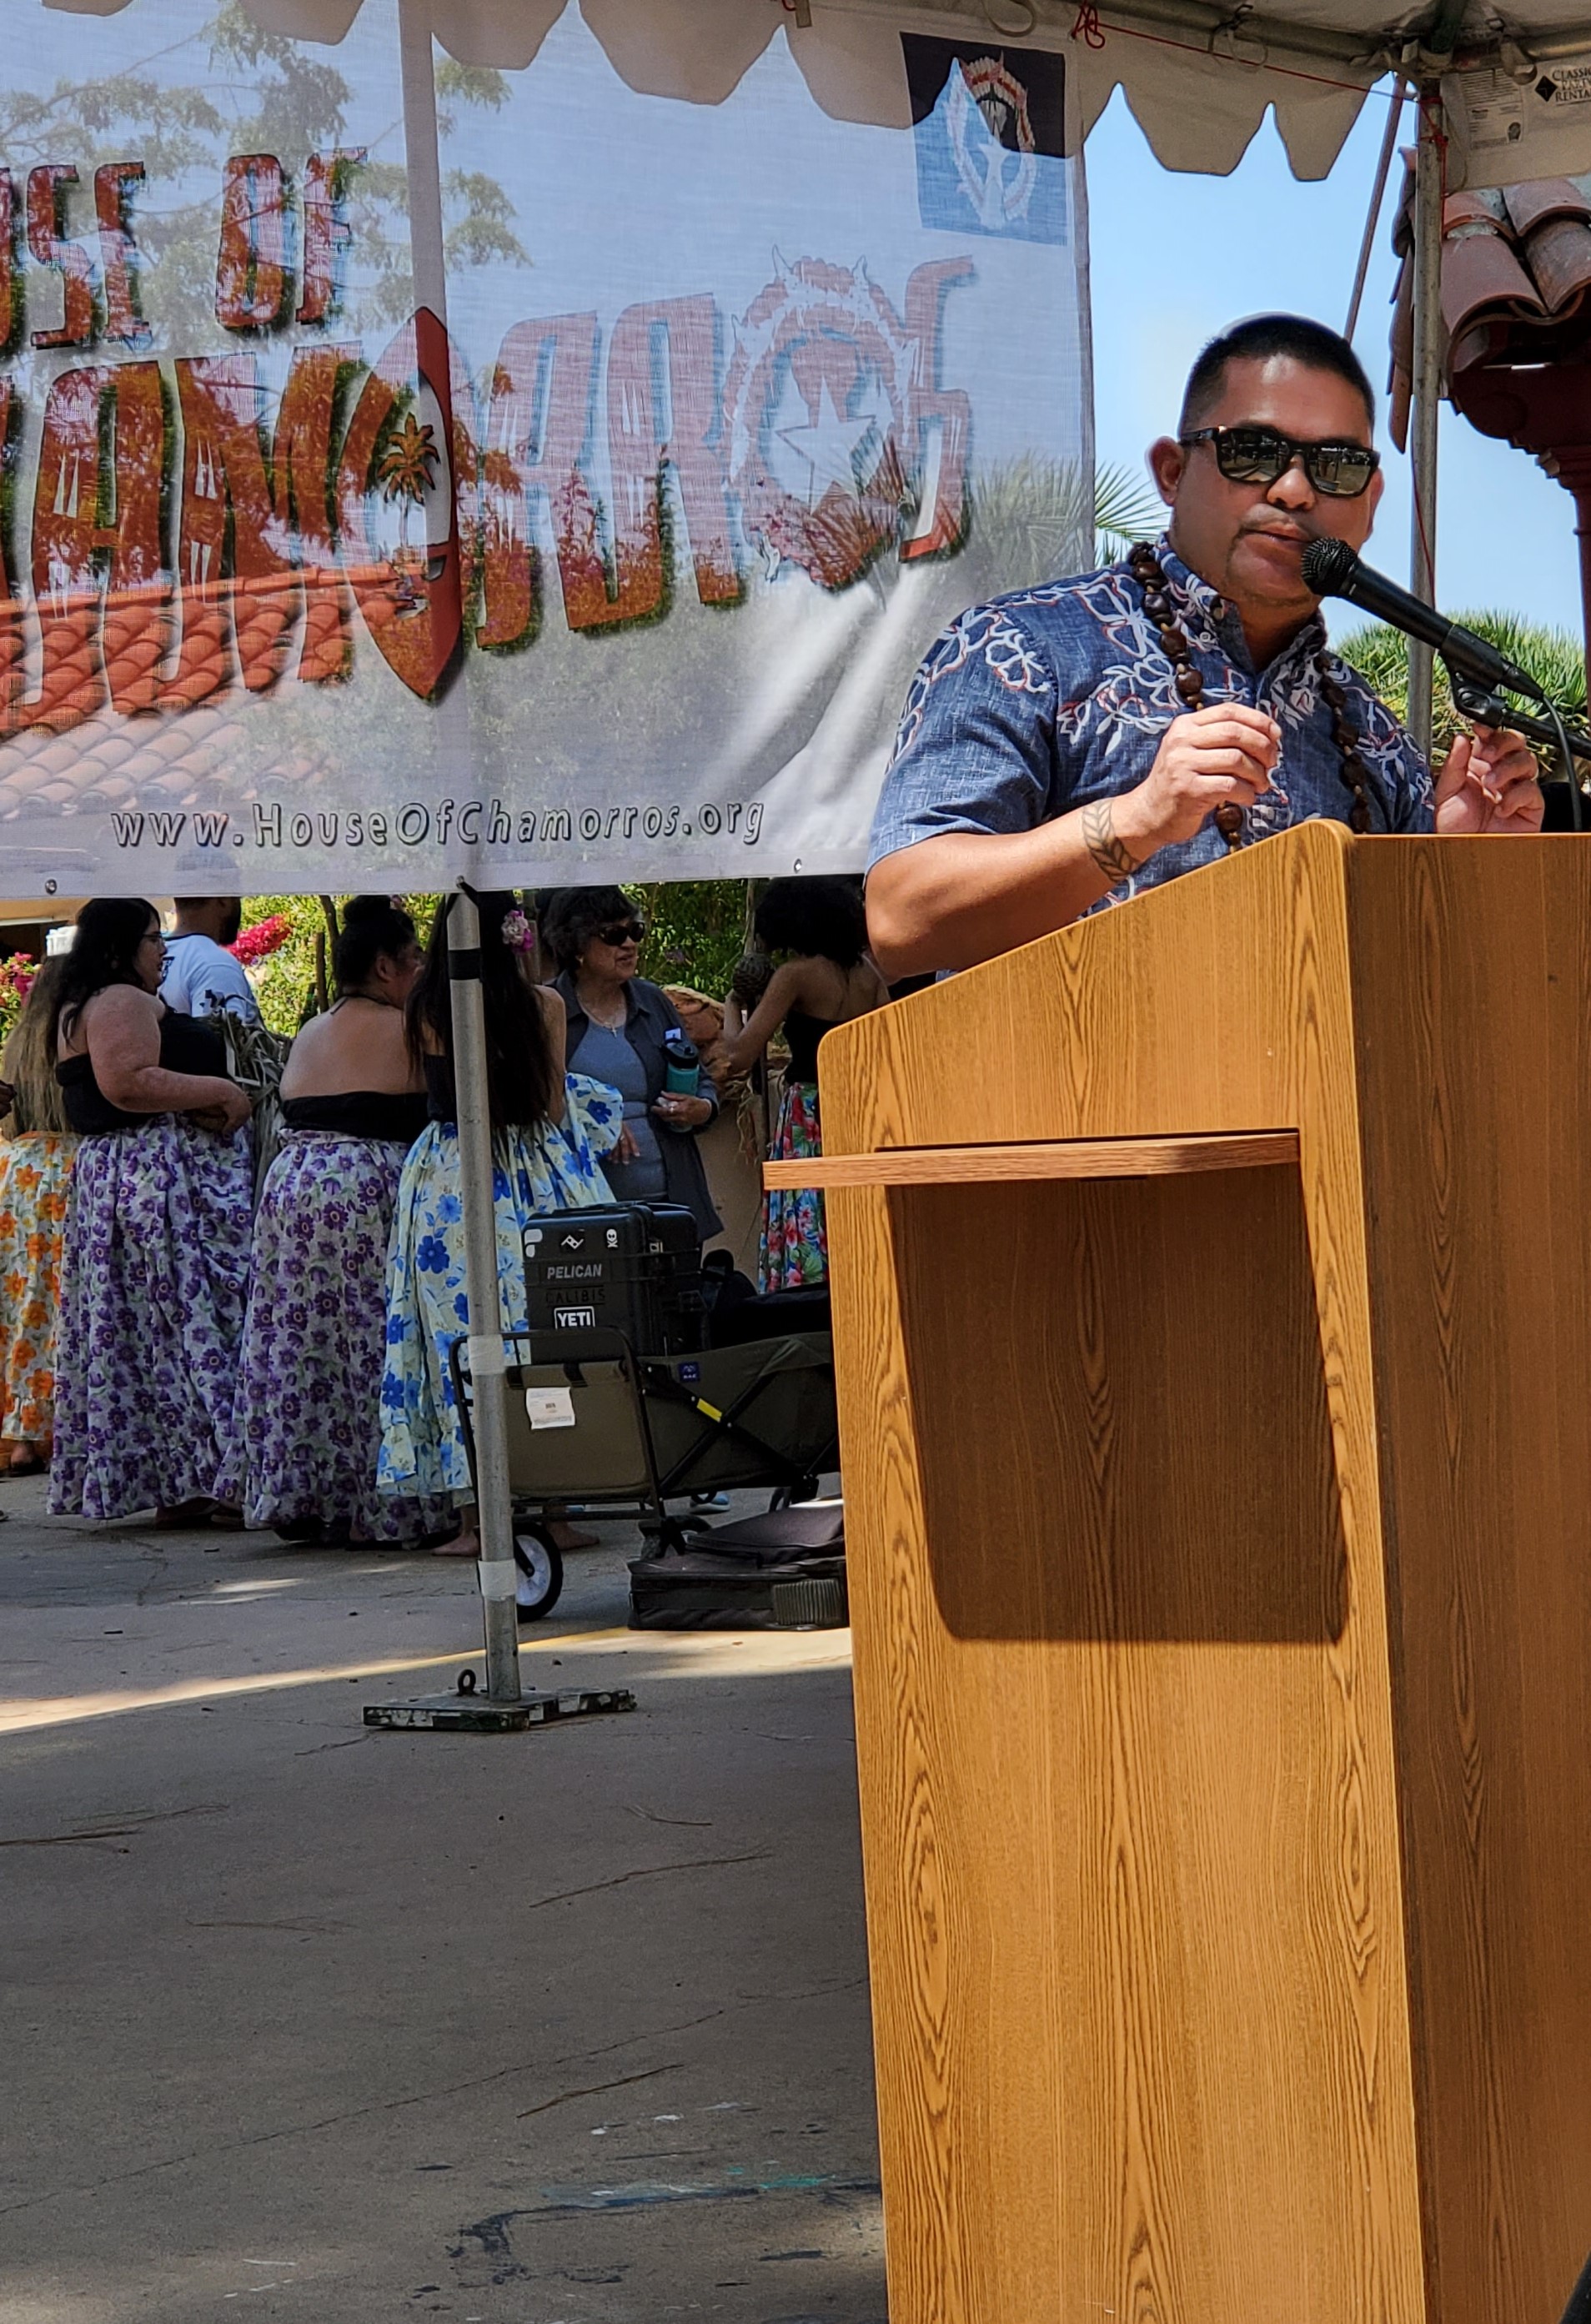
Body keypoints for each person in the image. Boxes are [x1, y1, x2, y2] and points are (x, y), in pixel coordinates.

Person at [864, 313, 1543, 978]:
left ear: (1369, 502)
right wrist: (1140, 818)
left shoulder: (1370, 733)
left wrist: (1464, 868)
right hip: (1075, 1089)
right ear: (1171, 471)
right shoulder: (1020, 652)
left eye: (1335, 467)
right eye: (1254, 452)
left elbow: (1420, 994)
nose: (1295, 491)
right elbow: (903, 918)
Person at [377, 891, 623, 1559]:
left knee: (455, 1343)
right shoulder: (540, 1004)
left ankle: (472, 1518)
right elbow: (548, 1104)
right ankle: (553, 1506)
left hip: (449, 1177)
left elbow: (442, 1091)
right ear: (513, 934)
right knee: (541, 1330)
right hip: (527, 1170)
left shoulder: (426, 1003)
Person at [218, 899, 453, 1550]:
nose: (422, 972)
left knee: (299, 1346)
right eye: (415, 962)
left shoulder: (315, 1027)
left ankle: (303, 1488)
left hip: (292, 1188)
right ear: (386, 966)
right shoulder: (409, 1026)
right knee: (371, 1344)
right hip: (362, 1188)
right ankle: (375, 1499)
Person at [47, 899, 253, 1525]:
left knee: (151, 1336)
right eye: (151, 939)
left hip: (122, 1179)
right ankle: (210, 1476)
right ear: (118, 948)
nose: (162, 949)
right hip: (151, 1178)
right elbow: (128, 1081)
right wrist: (221, 1090)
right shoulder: (120, 1001)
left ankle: (183, 1481)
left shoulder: (90, 1002)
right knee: (190, 1323)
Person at [720, 878, 888, 1291]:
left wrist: (732, 1006)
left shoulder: (795, 975)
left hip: (808, 1113)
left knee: (809, 1206)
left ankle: (806, 1291)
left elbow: (739, 1055)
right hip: (858, 1105)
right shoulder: (867, 973)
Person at [542, 886, 722, 1247]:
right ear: (577, 947)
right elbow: (534, 1102)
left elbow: (700, 1078)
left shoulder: (654, 1000)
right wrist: (594, 1117)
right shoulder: (548, 1007)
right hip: (585, 1214)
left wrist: (701, 1108)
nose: (629, 944)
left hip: (672, 1203)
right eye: (613, 935)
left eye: (635, 931)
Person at [0, 961, 76, 1478]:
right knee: (62, 1302)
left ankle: (22, 1431)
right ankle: (58, 1425)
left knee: (22, 1303)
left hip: (18, 1172)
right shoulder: (74, 1037)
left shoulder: (15, 1044)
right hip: (68, 1168)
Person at [160, 896, 260, 1021]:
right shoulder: (214, 963)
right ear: (224, 901)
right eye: (237, 897)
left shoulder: (148, 955)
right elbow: (222, 1038)